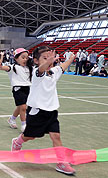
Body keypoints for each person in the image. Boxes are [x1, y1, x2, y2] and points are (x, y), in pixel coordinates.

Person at [11, 46, 76, 175]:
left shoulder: (54, 72)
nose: (49, 60)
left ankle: (61, 162)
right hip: (37, 112)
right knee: (30, 136)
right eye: (44, 58)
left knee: (56, 136)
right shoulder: (37, 73)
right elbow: (41, 69)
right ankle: (17, 141)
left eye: (50, 57)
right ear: (36, 60)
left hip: (52, 111)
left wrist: (71, 59)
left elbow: (62, 66)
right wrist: (47, 62)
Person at [0, 48, 33, 132]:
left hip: (27, 88)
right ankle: (24, 124)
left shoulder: (29, 68)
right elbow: (7, 68)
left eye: (26, 58)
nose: (25, 59)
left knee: (21, 106)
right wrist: (1, 67)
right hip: (18, 89)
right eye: (23, 57)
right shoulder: (14, 67)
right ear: (16, 58)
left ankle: (12, 119)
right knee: (23, 107)